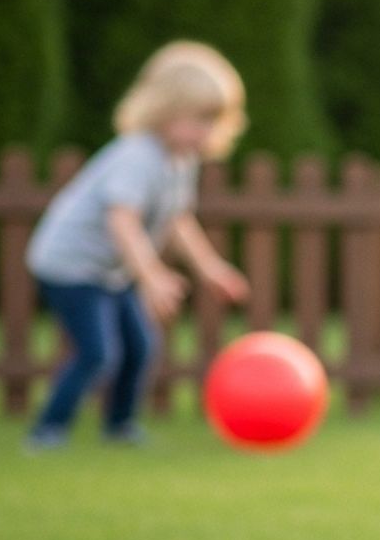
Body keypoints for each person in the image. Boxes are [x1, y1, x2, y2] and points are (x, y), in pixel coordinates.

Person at [24, 41, 251, 450]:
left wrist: (210, 268)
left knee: (141, 346)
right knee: (97, 353)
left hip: (111, 269)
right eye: (198, 119)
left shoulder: (179, 160)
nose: (207, 131)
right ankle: (48, 431)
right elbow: (121, 219)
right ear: (163, 110)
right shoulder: (138, 156)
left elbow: (178, 219)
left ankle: (120, 425)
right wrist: (150, 275)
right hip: (70, 265)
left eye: (214, 121)